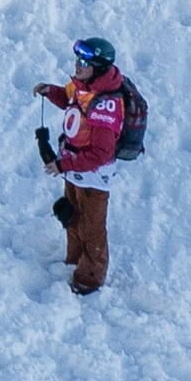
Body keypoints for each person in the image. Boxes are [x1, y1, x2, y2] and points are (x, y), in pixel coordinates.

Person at [35, 36, 128, 293]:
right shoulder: (82, 86)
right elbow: (68, 98)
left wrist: (64, 165)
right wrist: (49, 91)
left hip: (92, 180)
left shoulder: (106, 104)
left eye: (84, 62)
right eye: (77, 59)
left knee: (92, 230)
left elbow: (100, 153)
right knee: (72, 218)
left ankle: (89, 279)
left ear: (97, 67)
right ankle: (73, 261)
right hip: (74, 171)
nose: (78, 65)